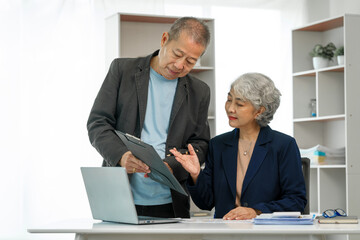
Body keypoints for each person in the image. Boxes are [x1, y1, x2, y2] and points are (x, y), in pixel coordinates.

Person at [87, 17, 211, 219]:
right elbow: (98, 124)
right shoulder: (122, 70)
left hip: (170, 201)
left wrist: (173, 164)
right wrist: (121, 156)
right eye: (177, 54)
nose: (179, 65)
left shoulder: (200, 91)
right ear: (164, 39)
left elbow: (200, 143)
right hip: (120, 193)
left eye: (190, 61)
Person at [170, 72, 307, 220]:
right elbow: (206, 202)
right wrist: (196, 175)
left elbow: (296, 201)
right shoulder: (218, 145)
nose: (230, 108)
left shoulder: (284, 145)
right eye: (229, 100)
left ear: (260, 111)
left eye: (239, 104)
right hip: (227, 232)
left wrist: (256, 211)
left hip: (265, 232)